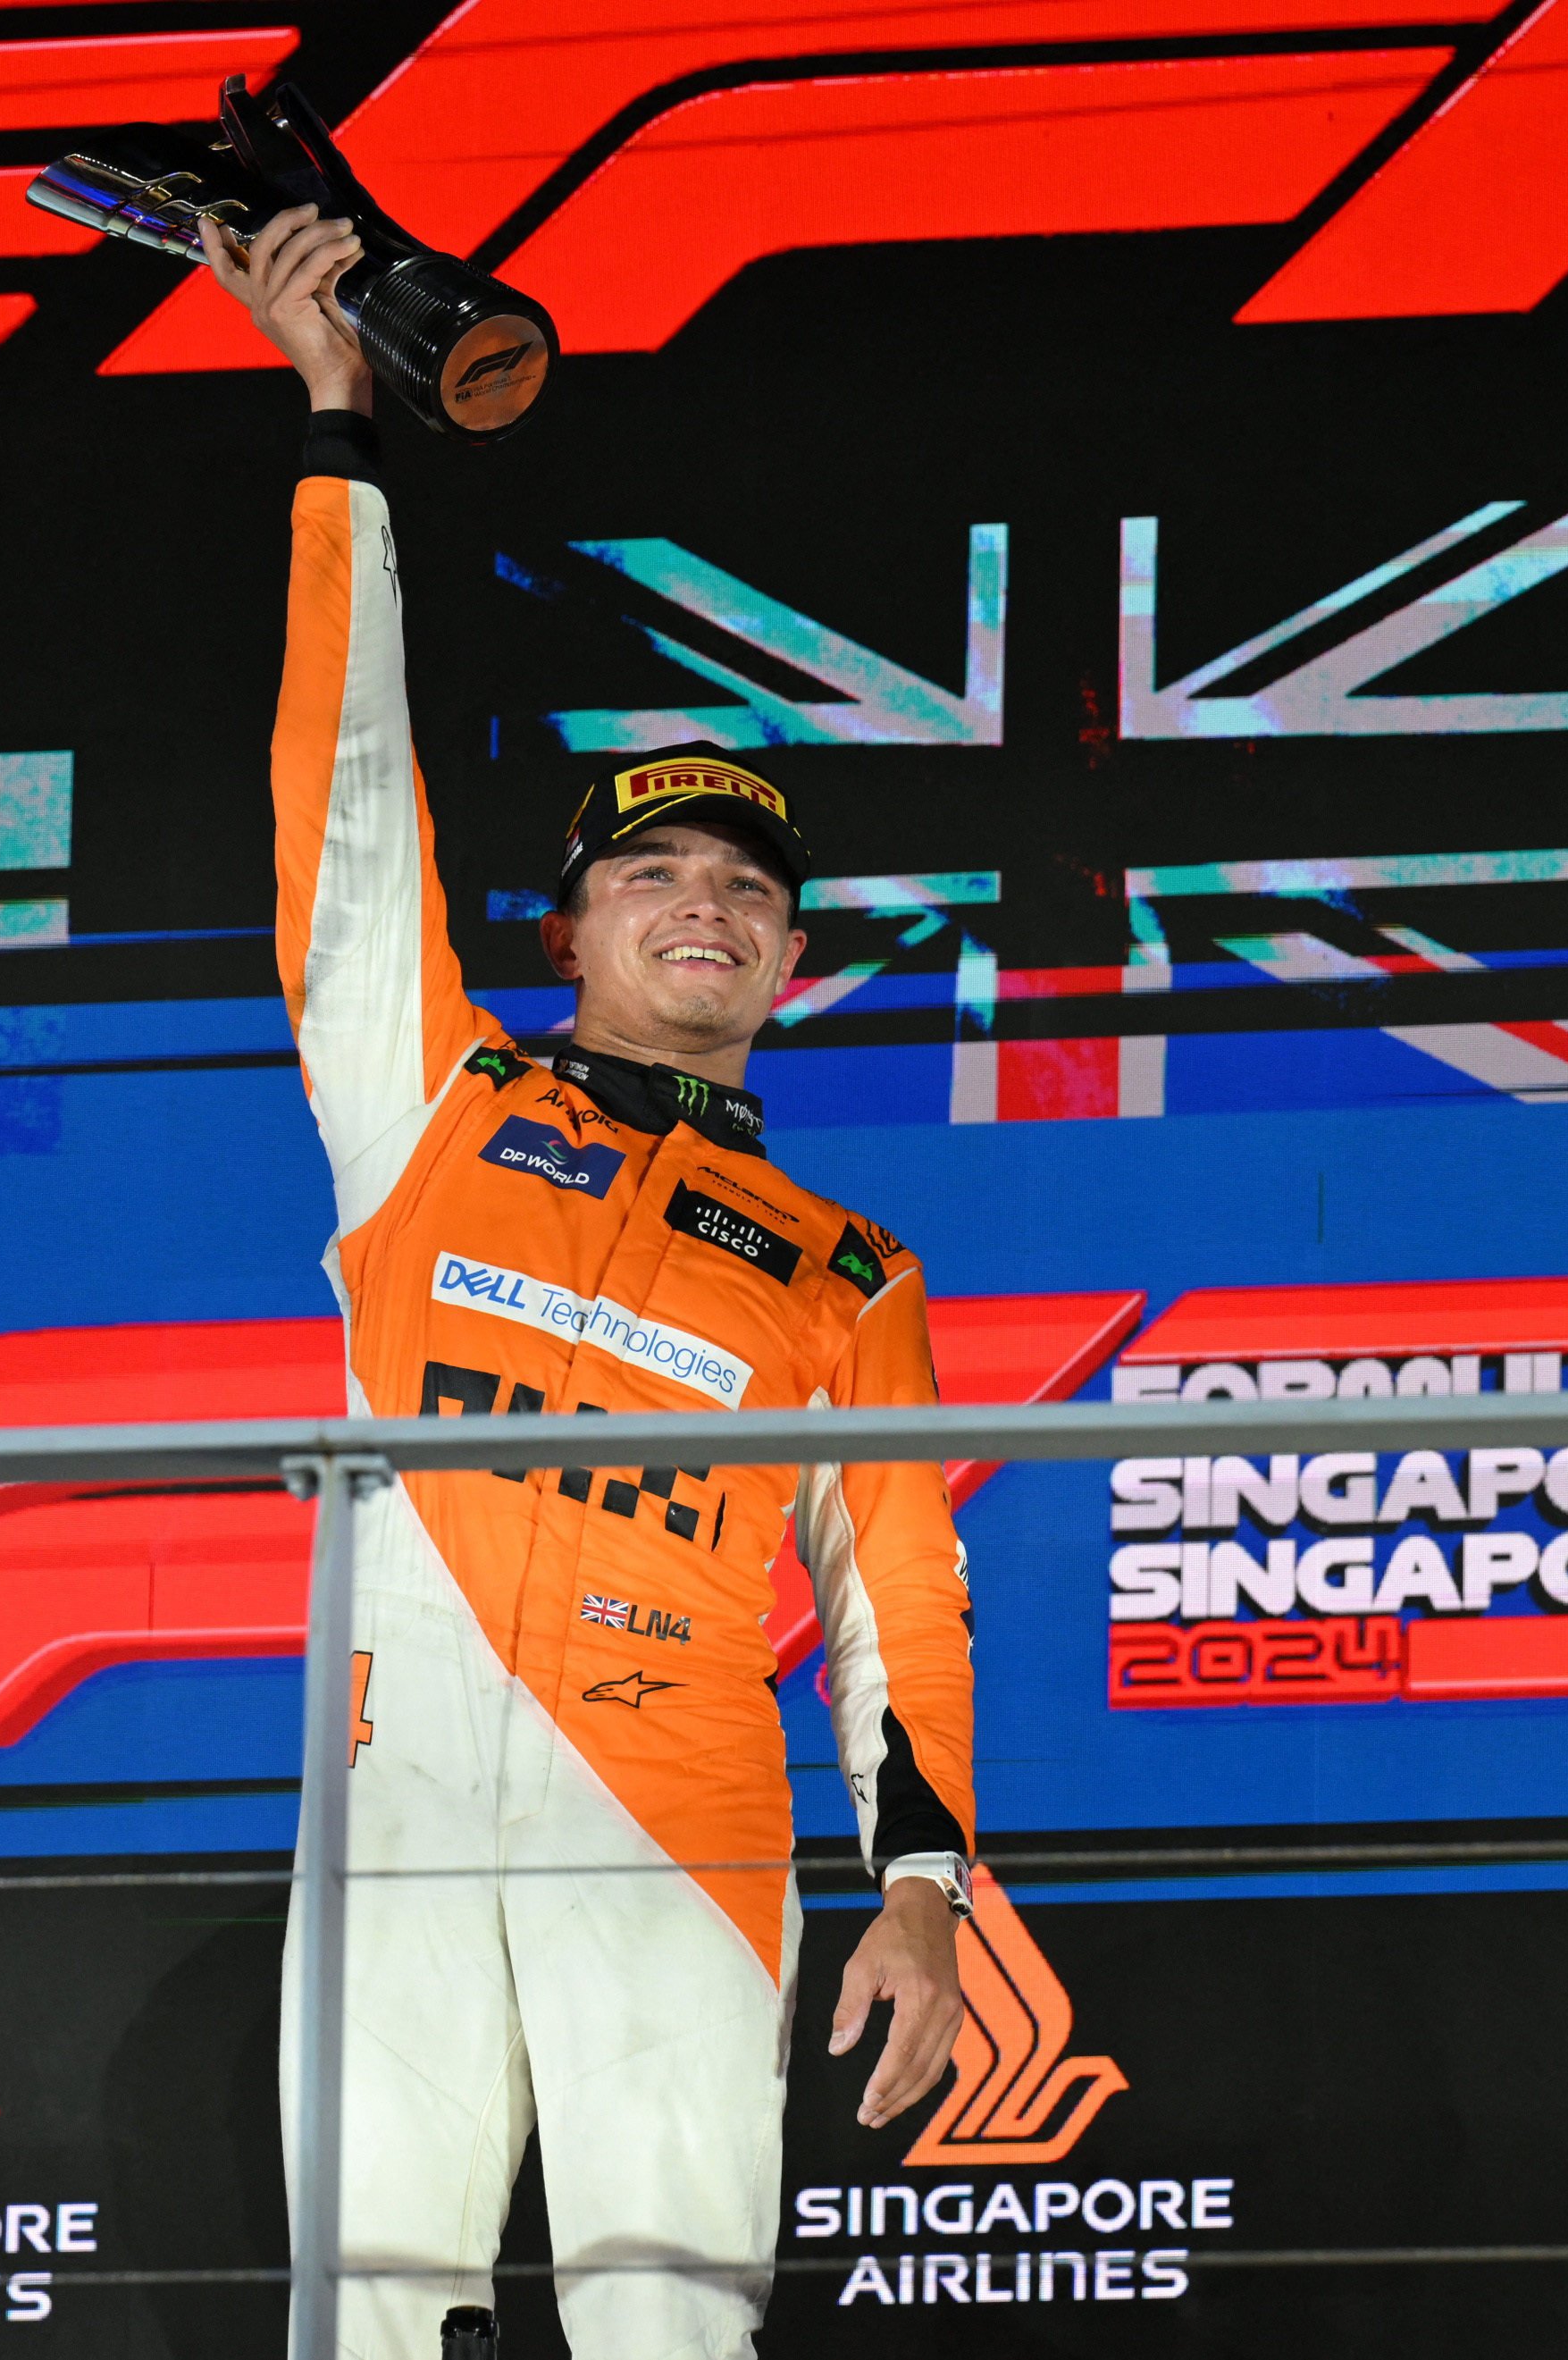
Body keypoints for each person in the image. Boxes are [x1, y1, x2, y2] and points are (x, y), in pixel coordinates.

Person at [201, 214, 977, 2357]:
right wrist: (334, 416)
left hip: (689, 1820)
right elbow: (340, 806)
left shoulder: (846, 1267)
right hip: (397, 1801)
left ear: (791, 961)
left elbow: (904, 1593)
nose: (704, 907)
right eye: (651, 873)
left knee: (669, 2334)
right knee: (365, 2325)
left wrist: (920, 1889)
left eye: (748, 886)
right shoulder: (424, 1100)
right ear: (570, 931)